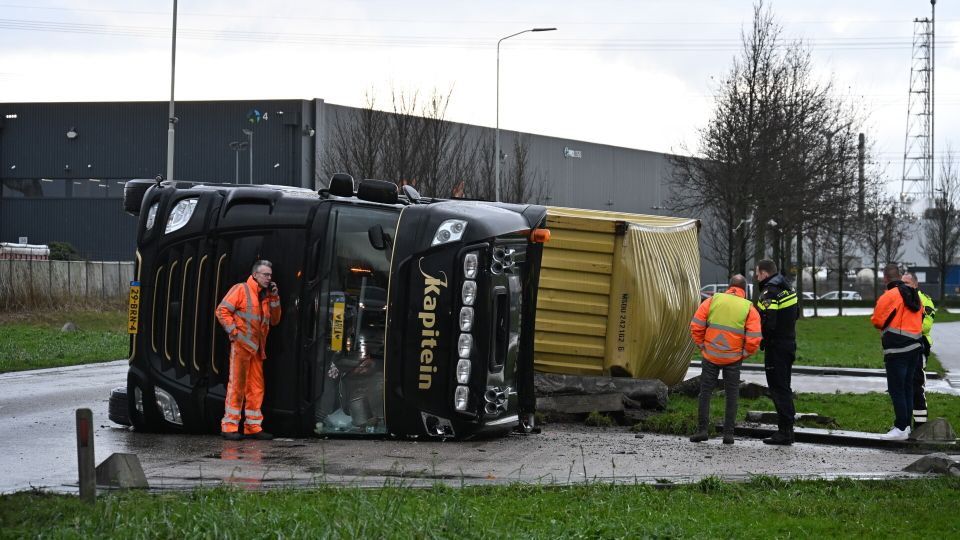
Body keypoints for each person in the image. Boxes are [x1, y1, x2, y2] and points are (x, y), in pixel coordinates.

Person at [689, 274, 762, 444]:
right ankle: (728, 434)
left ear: (729, 287)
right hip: (733, 358)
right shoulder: (748, 308)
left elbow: (696, 325)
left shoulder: (712, 300)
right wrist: (744, 353)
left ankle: (702, 431)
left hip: (710, 355)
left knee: (705, 393)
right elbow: (754, 338)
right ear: (744, 290)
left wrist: (702, 345)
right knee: (732, 394)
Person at [215, 260, 282, 440]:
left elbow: (275, 320)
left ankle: (253, 427)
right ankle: (229, 427)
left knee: (256, 388)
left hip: (257, 349)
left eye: (270, 275)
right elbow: (222, 311)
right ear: (255, 275)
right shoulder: (241, 289)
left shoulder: (267, 296)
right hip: (242, 347)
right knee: (237, 386)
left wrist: (275, 298)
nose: (269, 278)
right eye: (265, 274)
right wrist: (234, 333)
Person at [871, 264, 923, 441]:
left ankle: (900, 427)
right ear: (900, 277)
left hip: (897, 348)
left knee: (896, 389)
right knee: (907, 387)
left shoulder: (889, 296)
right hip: (915, 347)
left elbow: (877, 320)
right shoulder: (915, 294)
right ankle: (906, 426)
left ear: (885, 278)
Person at [754, 259, 799, 445]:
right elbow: (796, 314)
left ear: (764, 273)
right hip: (789, 343)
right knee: (784, 386)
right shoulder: (788, 288)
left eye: (757, 274)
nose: (756, 277)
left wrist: (762, 339)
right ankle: (788, 429)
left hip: (776, 347)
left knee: (778, 388)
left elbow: (768, 323)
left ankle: (785, 432)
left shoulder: (769, 292)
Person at [902, 272, 936, 427]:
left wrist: (905, 327)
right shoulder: (901, 299)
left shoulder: (925, 300)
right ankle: (904, 424)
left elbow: (926, 325)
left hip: (919, 346)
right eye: (902, 283)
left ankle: (920, 425)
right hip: (902, 346)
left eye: (907, 283)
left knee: (916, 385)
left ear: (915, 284)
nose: (903, 287)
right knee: (902, 386)